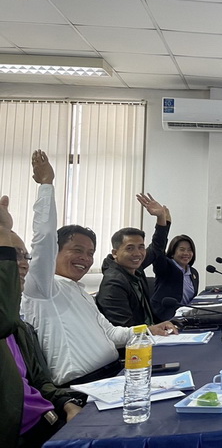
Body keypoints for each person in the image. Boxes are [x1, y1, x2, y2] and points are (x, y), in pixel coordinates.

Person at [21, 151, 177, 387]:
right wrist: (46, 185)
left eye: (90, 253)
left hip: (116, 375)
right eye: (77, 250)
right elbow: (43, 237)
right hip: (85, 386)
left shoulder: (81, 292)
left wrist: (150, 329)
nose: (85, 259)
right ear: (55, 252)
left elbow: (112, 334)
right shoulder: (43, 289)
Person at [1, 195, 86, 446]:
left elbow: (41, 382)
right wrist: (3, 230)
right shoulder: (7, 320)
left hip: (49, 419)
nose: (22, 264)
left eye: (24, 256)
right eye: (12, 256)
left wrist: (68, 403)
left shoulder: (20, 328)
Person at [96, 194, 172, 327]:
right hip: (137, 338)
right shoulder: (113, 284)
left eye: (141, 247)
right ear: (115, 253)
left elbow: (157, 247)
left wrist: (161, 217)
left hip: (150, 332)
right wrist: (155, 330)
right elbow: (125, 329)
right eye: (130, 248)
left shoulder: (134, 268)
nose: (137, 253)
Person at [151, 234, 200, 321]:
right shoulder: (166, 267)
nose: (186, 253)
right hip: (164, 318)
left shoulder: (193, 272)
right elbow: (158, 251)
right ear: (172, 253)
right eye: (182, 249)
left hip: (187, 317)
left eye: (189, 250)